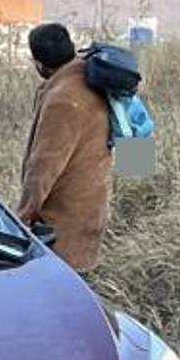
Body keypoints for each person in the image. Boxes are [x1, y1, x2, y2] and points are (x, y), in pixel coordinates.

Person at [15, 23, 112, 274]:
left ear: (39, 63)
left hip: (64, 219)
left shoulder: (63, 99)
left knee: (63, 294)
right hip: (93, 207)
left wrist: (22, 216)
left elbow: (44, 166)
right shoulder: (91, 78)